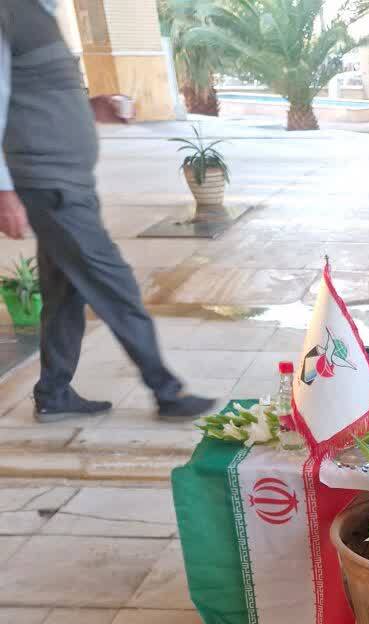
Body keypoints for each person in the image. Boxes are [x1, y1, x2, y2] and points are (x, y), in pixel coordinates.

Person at [0, 0, 215, 423]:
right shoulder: (10, 12)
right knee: (113, 282)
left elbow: (36, 93)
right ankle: (167, 392)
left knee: (66, 291)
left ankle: (54, 393)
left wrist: (93, 105)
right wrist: (4, 191)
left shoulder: (42, 15)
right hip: (50, 184)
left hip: (66, 180)